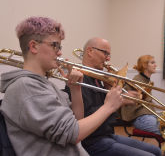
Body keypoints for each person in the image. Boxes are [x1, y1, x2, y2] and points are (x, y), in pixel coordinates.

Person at [0, 16, 135, 156]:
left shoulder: (44, 84)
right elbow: (73, 134)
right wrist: (109, 106)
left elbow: (77, 121)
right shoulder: (27, 87)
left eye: (60, 46)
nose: (59, 52)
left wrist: (75, 90)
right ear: (34, 46)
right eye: (54, 45)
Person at [64, 37, 162, 156]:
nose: (108, 58)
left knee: (156, 151)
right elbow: (84, 118)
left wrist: (110, 90)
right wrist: (119, 102)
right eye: (105, 53)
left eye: (109, 54)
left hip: (107, 134)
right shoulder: (79, 78)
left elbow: (106, 113)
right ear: (90, 51)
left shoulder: (98, 78)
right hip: (92, 141)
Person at [121, 55, 161, 135]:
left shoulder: (146, 80)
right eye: (152, 63)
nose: (155, 65)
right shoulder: (137, 81)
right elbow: (124, 102)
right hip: (141, 118)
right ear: (144, 65)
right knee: (162, 131)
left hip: (148, 115)